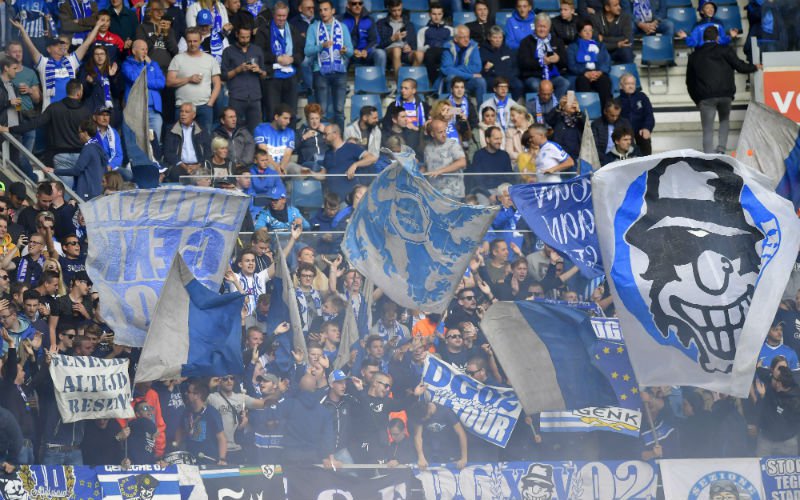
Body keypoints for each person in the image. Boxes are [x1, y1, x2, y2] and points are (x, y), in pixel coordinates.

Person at [686, 25, 759, 154]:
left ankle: (708, 157)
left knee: (708, 129)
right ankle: (721, 150)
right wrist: (754, 67)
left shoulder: (694, 56)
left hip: (705, 97)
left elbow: (689, 81)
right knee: (724, 121)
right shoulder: (725, 50)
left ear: (703, 38)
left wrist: (697, 99)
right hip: (725, 95)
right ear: (717, 37)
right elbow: (740, 66)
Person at [304, 0, 353, 130]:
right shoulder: (313, 27)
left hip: (340, 72)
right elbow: (307, 51)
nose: (323, 13)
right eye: (320, 10)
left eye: (326, 9)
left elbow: (351, 52)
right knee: (323, 110)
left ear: (333, 11)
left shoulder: (342, 27)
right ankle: (323, 141)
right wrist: (321, 46)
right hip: (320, 71)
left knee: (339, 110)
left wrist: (345, 51)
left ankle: (340, 142)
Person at [167, 27, 223, 132]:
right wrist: (189, 79)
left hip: (204, 107)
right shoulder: (178, 59)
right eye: (189, 41)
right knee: (181, 140)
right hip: (182, 107)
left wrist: (210, 103)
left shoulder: (210, 59)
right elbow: (169, 82)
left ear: (201, 40)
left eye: (195, 41)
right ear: (186, 41)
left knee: (205, 141)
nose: (192, 44)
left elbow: (217, 84)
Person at [258, 2, 304, 124]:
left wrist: (292, 59)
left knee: (291, 114)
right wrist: (277, 58)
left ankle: (289, 142)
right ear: (274, 15)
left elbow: (301, 53)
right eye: (279, 15)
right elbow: (259, 53)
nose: (281, 18)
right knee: (273, 114)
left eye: (284, 16)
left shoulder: (293, 30)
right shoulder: (264, 30)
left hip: (291, 77)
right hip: (272, 78)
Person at [222, 25, 267, 134]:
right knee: (233, 130)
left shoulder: (257, 50)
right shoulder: (228, 51)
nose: (245, 40)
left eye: (247, 37)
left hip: (255, 96)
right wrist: (238, 69)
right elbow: (224, 76)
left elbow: (264, 75)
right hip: (236, 96)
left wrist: (259, 70)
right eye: (242, 37)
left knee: (256, 131)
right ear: (237, 35)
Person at [122, 40, 167, 142]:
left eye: (146, 49)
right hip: (136, 111)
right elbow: (137, 79)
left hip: (153, 111)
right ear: (134, 51)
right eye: (142, 49)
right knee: (137, 145)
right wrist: (146, 67)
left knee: (155, 144)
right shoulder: (127, 65)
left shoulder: (153, 64)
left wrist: (150, 65)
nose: (145, 52)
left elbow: (161, 83)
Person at [518, 13, 569, 100]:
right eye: (539, 26)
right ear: (534, 26)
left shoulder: (557, 41)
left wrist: (558, 59)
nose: (542, 29)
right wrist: (541, 62)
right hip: (534, 76)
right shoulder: (526, 42)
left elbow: (565, 62)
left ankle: (554, 108)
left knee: (564, 83)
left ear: (549, 28)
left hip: (553, 76)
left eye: (544, 27)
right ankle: (538, 108)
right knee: (535, 85)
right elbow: (523, 63)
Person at [175, 379, 228, 464]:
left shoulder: (212, 413)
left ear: (197, 395)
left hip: (208, 460)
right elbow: (180, 430)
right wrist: (176, 448)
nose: (186, 393)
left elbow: (221, 438)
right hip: (190, 459)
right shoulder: (186, 411)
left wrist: (222, 459)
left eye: (189, 392)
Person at [321, 124, 377, 199]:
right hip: (333, 200)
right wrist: (310, 173)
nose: (323, 137)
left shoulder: (351, 147)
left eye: (325, 134)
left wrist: (355, 165)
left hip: (348, 199)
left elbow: (372, 158)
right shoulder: (328, 153)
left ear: (335, 134)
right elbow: (324, 175)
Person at [755, 365, 800, 456]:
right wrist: (758, 367)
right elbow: (764, 374)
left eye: (774, 377)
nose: (771, 377)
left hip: (787, 443)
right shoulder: (773, 381)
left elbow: (778, 417)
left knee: (787, 470)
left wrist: (763, 396)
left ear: (779, 384)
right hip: (765, 440)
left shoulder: (796, 402)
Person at [567, 20, 613, 108]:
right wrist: (585, 72)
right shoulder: (573, 47)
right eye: (585, 31)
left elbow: (606, 61)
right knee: (582, 81)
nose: (588, 33)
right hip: (581, 74)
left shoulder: (600, 45)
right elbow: (571, 65)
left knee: (605, 81)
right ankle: (585, 112)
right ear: (579, 33)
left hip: (597, 73)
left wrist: (599, 72)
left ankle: (606, 111)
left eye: (590, 30)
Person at [163, 102, 212, 180]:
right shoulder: (171, 130)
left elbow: (208, 152)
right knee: (174, 174)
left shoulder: (202, 130)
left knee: (204, 176)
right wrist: (184, 166)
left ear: (193, 115)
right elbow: (168, 152)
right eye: (181, 111)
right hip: (179, 166)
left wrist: (199, 165)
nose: (183, 114)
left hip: (199, 166)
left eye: (187, 112)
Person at [414, 401, 468, 469]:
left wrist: (464, 458)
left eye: (425, 417)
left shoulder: (446, 412)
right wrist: (421, 457)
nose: (424, 419)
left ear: (429, 408)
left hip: (448, 450)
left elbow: (461, 434)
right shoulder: (420, 412)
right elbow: (417, 436)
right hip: (430, 450)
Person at [441, 26, 486, 106]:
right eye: (463, 37)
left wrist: (456, 69)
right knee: (451, 77)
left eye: (468, 37)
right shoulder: (448, 47)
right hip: (454, 81)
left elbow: (477, 67)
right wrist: (470, 75)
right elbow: (447, 70)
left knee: (480, 81)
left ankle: (481, 111)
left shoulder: (473, 46)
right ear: (455, 39)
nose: (466, 40)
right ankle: (451, 110)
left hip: (467, 82)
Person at [376, 0, 423, 76]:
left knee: (419, 55)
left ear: (402, 7)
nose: (397, 13)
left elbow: (414, 45)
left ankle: (410, 81)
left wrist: (410, 48)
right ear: (389, 9)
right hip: (389, 52)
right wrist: (392, 38)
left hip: (405, 53)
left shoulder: (408, 24)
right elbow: (379, 45)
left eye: (399, 10)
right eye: (394, 10)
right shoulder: (381, 23)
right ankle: (399, 84)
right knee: (396, 50)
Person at [424, 119, 467, 200]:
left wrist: (440, 171)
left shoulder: (453, 144)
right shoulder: (427, 148)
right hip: (434, 192)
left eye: (445, 131)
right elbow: (427, 167)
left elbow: (462, 162)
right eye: (440, 132)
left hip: (453, 192)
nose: (444, 134)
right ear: (433, 134)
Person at [341, 0, 386, 74]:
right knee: (341, 56)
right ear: (348, 5)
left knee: (380, 53)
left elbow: (374, 40)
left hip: (366, 53)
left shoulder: (369, 19)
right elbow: (340, 40)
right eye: (354, 3)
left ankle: (379, 80)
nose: (358, 6)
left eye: (360, 3)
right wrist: (351, 51)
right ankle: (340, 83)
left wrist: (366, 50)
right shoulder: (342, 20)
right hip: (349, 53)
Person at [479, 30, 523, 102]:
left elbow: (515, 67)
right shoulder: (482, 51)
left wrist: (511, 75)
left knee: (518, 85)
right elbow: (481, 70)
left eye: (500, 37)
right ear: (489, 38)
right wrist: (486, 69)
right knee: (497, 85)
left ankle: (510, 104)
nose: (498, 40)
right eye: (495, 37)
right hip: (492, 78)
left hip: (508, 77)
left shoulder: (507, 49)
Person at [618, 73, 654, 156]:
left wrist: (647, 128)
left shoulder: (642, 97)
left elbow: (649, 115)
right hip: (625, 131)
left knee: (644, 137)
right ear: (621, 86)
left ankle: (647, 164)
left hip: (640, 130)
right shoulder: (617, 100)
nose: (631, 86)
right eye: (627, 84)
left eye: (633, 84)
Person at [468, 126, 512, 192]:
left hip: (502, 191)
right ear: (487, 139)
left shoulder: (504, 155)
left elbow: (509, 178)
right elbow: (478, 180)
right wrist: (488, 195)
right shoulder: (479, 155)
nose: (499, 141)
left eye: (501, 139)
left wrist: (500, 193)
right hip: (484, 191)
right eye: (496, 139)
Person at [418, 4, 454, 85]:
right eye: (434, 14)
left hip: (445, 52)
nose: (437, 17)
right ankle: (435, 84)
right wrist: (427, 47)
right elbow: (419, 48)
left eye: (439, 14)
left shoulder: (450, 30)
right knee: (430, 53)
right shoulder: (423, 30)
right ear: (430, 15)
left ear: (442, 14)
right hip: (430, 53)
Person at [590, 0, 634, 64]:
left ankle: (629, 73)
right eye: (616, 5)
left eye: (619, 4)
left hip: (619, 51)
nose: (619, 7)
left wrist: (603, 38)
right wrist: (617, 44)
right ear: (607, 8)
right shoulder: (595, 19)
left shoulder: (625, 17)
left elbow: (627, 39)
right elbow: (596, 42)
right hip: (602, 50)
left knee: (627, 50)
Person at [297, 103, 330, 169]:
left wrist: (326, 132)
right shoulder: (301, 131)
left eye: (317, 118)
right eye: (312, 119)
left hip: (325, 161)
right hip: (308, 164)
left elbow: (337, 144)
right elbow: (292, 148)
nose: (315, 122)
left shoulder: (327, 129)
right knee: (315, 166)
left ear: (320, 118)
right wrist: (304, 137)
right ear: (307, 119)